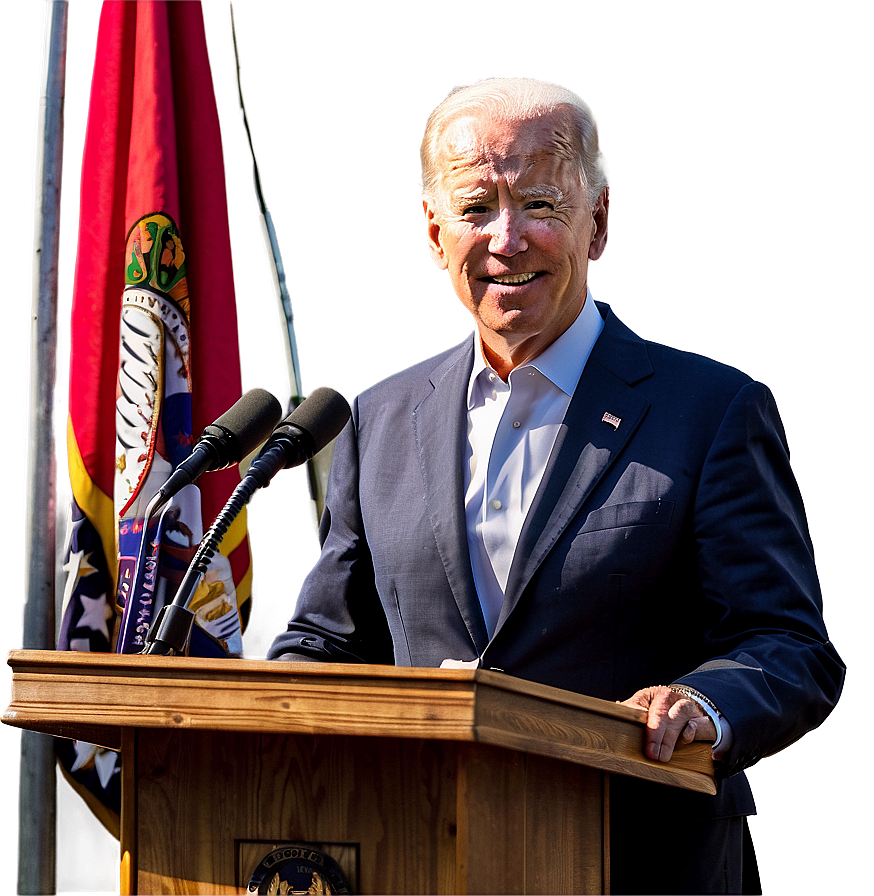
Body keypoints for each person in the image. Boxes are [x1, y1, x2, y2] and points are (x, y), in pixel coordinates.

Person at [268, 77, 845, 893]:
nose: (506, 239)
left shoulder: (711, 412)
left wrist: (701, 705)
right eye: (474, 209)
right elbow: (329, 643)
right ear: (434, 234)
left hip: (640, 860)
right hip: (418, 855)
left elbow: (792, 651)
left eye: (539, 202)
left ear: (597, 222)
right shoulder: (378, 421)